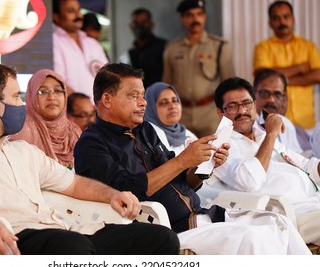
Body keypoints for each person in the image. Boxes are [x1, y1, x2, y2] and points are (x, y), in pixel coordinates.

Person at [0, 61, 180, 255]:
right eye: (17, 96)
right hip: (14, 239)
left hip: (63, 231)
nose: (21, 104)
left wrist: (112, 195)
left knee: (160, 238)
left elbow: (74, 183)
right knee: (72, 247)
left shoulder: (22, 150)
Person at [74, 62, 310, 254]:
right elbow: (125, 193)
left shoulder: (145, 130)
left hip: (202, 215)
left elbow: (185, 183)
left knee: (278, 224)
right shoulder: (92, 144)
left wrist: (204, 164)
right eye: (134, 95)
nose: (143, 102)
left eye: (143, 95)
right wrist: (182, 160)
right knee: (252, 238)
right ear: (106, 100)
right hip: (168, 229)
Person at [213, 76, 320, 247]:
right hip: (287, 212)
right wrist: (271, 135)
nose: (242, 111)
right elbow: (250, 181)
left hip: (313, 200)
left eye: (247, 103)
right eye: (233, 106)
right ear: (221, 112)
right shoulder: (220, 145)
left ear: (254, 105)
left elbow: (304, 164)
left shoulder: (261, 133)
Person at [163, 0, 235, 138]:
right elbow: (167, 85)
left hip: (210, 114)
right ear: (182, 19)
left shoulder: (218, 46)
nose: (195, 19)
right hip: (182, 115)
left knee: (214, 156)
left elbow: (229, 84)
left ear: (205, 17)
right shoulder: (172, 49)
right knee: (182, 155)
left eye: (199, 14)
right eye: (190, 15)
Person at [253, 0, 320, 130]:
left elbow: (318, 75)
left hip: (306, 121)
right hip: (274, 122)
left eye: (285, 17)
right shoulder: (262, 47)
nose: (282, 22)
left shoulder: (308, 46)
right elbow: (262, 75)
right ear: (270, 23)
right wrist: (300, 68)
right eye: (276, 18)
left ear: (293, 19)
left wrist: (279, 81)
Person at [10, 69, 81, 169]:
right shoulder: (20, 131)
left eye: (57, 91)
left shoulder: (74, 132)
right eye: (42, 92)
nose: (51, 97)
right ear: (31, 96)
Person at [52, 0, 108, 100]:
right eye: (71, 11)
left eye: (78, 10)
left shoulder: (92, 44)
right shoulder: (53, 41)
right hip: (71, 111)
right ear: (57, 17)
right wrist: (80, 104)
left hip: (97, 111)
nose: (78, 15)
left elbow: (107, 77)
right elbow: (56, 81)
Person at [253, 68, 311, 156]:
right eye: (264, 93)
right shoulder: (248, 127)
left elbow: (299, 158)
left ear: (285, 99)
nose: (271, 100)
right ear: (253, 95)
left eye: (277, 94)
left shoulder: (288, 125)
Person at [144, 82, 197, 156]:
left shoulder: (187, 134)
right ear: (151, 108)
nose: (172, 106)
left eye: (175, 100)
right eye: (163, 103)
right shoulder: (147, 136)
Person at [119, 8, 167, 88]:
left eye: (143, 22)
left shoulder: (163, 47)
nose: (139, 26)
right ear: (131, 26)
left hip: (159, 97)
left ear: (151, 24)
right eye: (136, 23)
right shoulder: (131, 53)